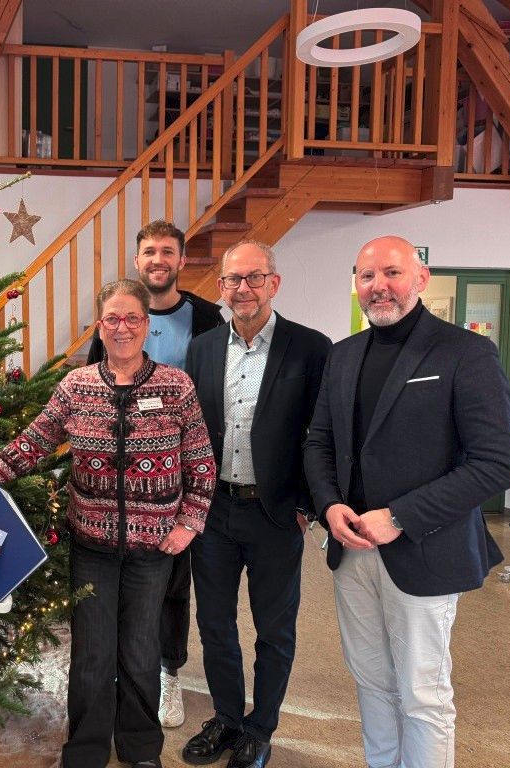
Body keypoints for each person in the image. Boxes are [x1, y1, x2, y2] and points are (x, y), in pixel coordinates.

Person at [0, 279, 215, 768]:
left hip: (155, 547)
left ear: (146, 325)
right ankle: (86, 751)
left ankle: (141, 749)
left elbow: (201, 462)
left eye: (132, 318)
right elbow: (33, 442)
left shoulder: (175, 386)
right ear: (100, 326)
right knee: (92, 654)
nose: (122, 328)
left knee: (140, 650)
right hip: (92, 544)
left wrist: (188, 521)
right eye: (112, 318)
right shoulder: (77, 386)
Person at [303, 236, 510, 768]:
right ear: (356, 285)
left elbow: (496, 464)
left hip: (425, 551)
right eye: (367, 276)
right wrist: (328, 505)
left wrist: (400, 517)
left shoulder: (466, 352)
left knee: (423, 694)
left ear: (421, 279)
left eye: (392, 273)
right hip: (352, 547)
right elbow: (319, 442)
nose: (379, 286)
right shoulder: (343, 354)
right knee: (372, 681)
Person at [182, 241, 330, 768]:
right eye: (232, 280)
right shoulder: (202, 348)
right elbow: (192, 429)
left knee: (274, 630)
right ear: (220, 287)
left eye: (254, 278)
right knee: (215, 625)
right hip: (214, 512)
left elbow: (323, 432)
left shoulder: (310, 348)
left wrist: (308, 505)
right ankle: (226, 718)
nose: (242, 288)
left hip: (276, 514)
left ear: (274, 283)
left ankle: (260, 728)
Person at [86, 219, 225, 728]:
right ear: (137, 260)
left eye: (168, 251)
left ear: (181, 260)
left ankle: (169, 672)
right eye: (149, 252)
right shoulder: (117, 318)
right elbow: (94, 385)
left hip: (180, 476)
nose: (158, 260)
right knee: (123, 587)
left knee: (172, 585)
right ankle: (122, 671)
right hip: (118, 484)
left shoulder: (206, 317)